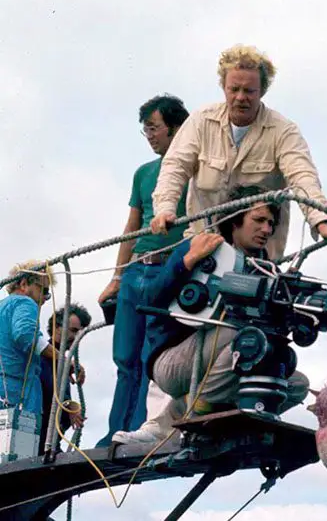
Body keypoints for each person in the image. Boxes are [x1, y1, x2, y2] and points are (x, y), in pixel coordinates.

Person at [112, 185, 309, 444]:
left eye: (271, 223)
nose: (267, 230)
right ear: (234, 219)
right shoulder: (201, 245)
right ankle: (186, 413)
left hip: (225, 361)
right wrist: (186, 262)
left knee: (294, 383)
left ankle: (220, 417)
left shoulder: (267, 269)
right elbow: (149, 299)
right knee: (241, 331)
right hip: (173, 363)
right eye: (259, 220)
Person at [150, 44, 327, 262]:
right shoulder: (200, 121)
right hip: (202, 248)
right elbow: (175, 167)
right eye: (233, 89)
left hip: (258, 259)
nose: (240, 97)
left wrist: (321, 222)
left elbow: (303, 178)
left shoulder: (284, 131)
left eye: (249, 91)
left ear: (262, 91)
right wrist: (164, 208)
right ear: (223, 87)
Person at [95, 94, 191, 447]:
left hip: (169, 271)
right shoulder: (143, 173)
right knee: (125, 355)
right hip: (137, 270)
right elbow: (132, 226)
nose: (149, 135)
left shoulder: (195, 170)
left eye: (153, 128)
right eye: (145, 130)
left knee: (153, 355)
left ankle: (139, 429)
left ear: (176, 128)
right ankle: (112, 433)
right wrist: (117, 276)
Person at [0, 262, 60, 420]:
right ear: (24, 284)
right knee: (21, 443)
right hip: (17, 392)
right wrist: (61, 358)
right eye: (44, 290)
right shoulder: (25, 302)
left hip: (4, 389)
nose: (46, 298)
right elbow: (25, 334)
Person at [39, 304, 91, 454]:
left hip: (49, 444)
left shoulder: (62, 363)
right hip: (38, 444)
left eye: (80, 333)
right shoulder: (43, 357)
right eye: (73, 331)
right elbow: (47, 391)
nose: (76, 337)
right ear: (56, 327)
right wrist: (69, 406)